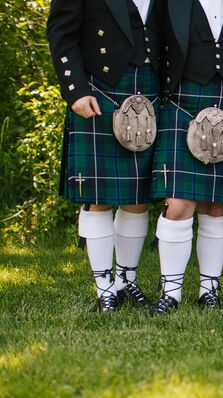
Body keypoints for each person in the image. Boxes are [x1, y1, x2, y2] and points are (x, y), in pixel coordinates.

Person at [47, 0, 162, 312]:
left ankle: (126, 280)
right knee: (99, 195)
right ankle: (104, 288)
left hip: (150, 88)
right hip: (101, 88)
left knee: (138, 195)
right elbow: (61, 33)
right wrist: (76, 90)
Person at [149, 0, 223, 315]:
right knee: (179, 204)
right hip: (184, 99)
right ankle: (171, 291)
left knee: (217, 205)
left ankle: (210, 289)